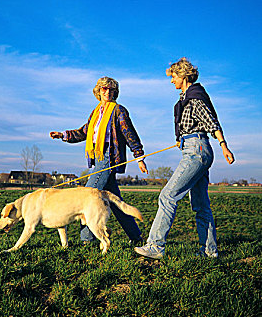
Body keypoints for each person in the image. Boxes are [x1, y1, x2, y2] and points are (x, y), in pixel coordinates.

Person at [135, 57, 235, 259]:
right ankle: (209, 252)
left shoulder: (195, 98)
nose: (171, 80)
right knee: (201, 205)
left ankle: (155, 246)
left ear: (182, 75)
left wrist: (224, 146)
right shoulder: (185, 99)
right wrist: (182, 137)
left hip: (197, 150)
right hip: (195, 147)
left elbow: (211, 122)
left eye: (173, 76)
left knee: (167, 195)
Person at [50, 76, 148, 245]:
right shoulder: (96, 112)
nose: (107, 92)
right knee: (115, 202)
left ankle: (87, 242)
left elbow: (129, 133)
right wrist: (63, 135)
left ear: (115, 92)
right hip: (97, 157)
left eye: (111, 89)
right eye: (104, 89)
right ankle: (136, 237)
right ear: (98, 91)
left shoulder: (119, 110)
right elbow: (84, 132)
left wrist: (139, 156)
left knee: (87, 197)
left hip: (109, 157)